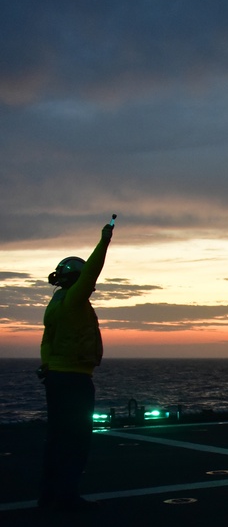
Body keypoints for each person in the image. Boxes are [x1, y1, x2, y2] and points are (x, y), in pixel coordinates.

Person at [37, 219, 114, 511]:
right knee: (76, 440)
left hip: (56, 376)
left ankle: (48, 495)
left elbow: (47, 339)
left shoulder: (55, 304)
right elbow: (93, 270)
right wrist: (105, 240)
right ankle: (67, 497)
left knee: (56, 439)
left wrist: (46, 364)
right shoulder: (73, 301)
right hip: (75, 379)